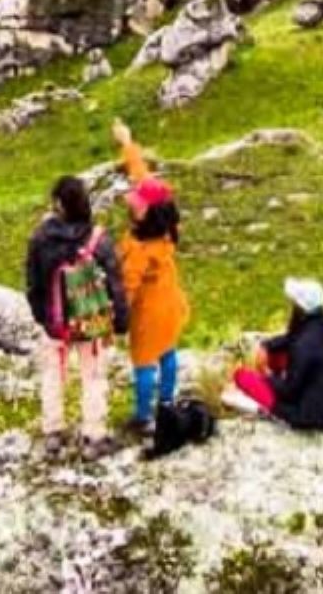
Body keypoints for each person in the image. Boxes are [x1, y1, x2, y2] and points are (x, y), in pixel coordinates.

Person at [25, 175, 129, 453]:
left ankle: (53, 431)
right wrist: (120, 320)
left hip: (54, 322)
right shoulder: (98, 239)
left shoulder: (40, 238)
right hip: (90, 320)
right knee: (93, 375)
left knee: (52, 374)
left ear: (58, 204)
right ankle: (94, 435)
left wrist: (42, 317)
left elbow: (34, 283)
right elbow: (115, 284)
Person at [112, 118, 189, 435]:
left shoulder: (140, 251)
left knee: (144, 362)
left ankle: (144, 416)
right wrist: (127, 141)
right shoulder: (164, 231)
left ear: (146, 212)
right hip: (171, 304)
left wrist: (117, 318)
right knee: (168, 351)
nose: (133, 196)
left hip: (148, 314)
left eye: (137, 199)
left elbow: (127, 288)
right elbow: (140, 173)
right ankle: (167, 401)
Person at [222, 278, 323, 431]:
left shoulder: (302, 346)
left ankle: (265, 409)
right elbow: (291, 338)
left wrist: (266, 375)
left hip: (309, 417)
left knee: (242, 377)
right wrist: (266, 346)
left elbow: (288, 392)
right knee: (278, 355)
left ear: (299, 307)